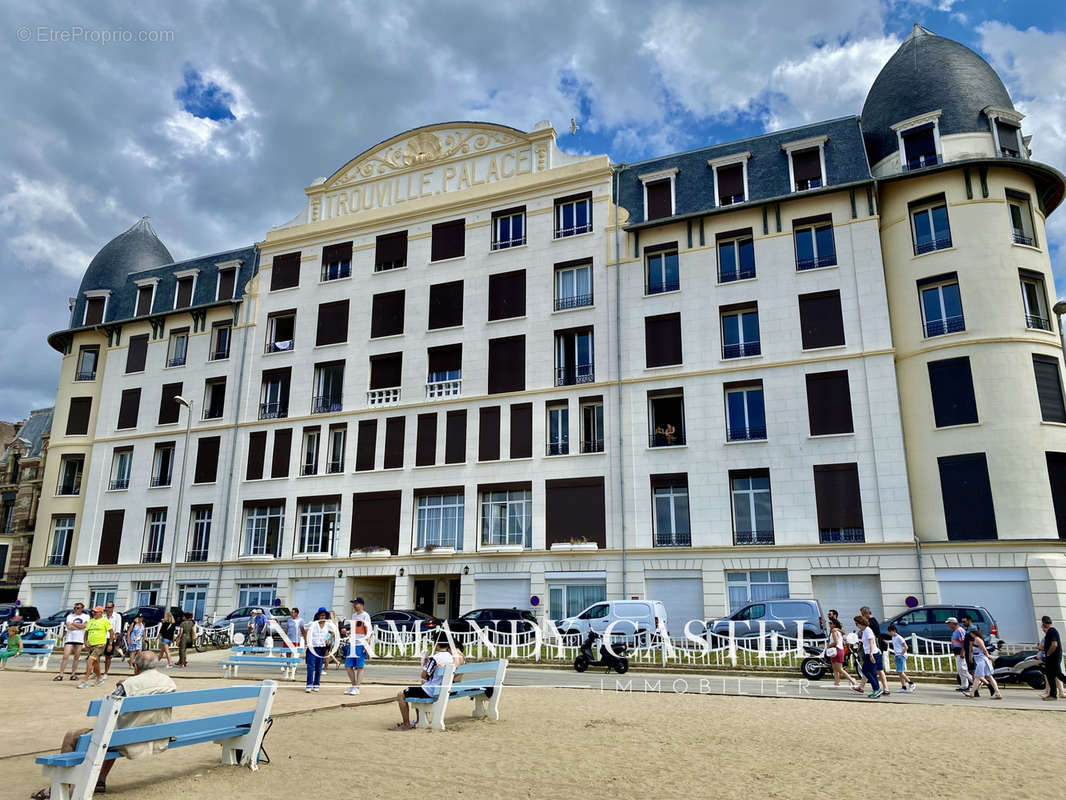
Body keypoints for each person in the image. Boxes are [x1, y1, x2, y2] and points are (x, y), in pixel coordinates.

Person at [31, 651, 177, 799]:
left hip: (128, 740)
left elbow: (107, 710)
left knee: (76, 736)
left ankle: (59, 787)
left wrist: (124, 685)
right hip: (157, 737)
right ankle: (100, 779)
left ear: (136, 667)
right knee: (112, 733)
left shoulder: (128, 685)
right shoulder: (169, 682)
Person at [394, 638, 455, 730]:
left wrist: (425, 664)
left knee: (400, 695)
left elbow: (423, 675)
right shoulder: (451, 657)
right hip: (441, 690)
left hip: (431, 691)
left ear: (437, 644)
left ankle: (406, 724)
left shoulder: (435, 658)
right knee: (418, 689)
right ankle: (419, 721)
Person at [78, 606, 112, 689]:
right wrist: (85, 642)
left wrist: (110, 644)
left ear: (101, 612)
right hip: (91, 645)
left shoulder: (105, 621)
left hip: (100, 644)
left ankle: (85, 681)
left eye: (96, 612)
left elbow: (111, 632)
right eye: (93, 612)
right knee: (95, 662)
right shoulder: (91, 621)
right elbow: (86, 632)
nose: (94, 613)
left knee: (90, 661)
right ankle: (99, 678)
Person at [344, 597, 373, 695]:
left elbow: (369, 631)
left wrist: (366, 644)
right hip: (352, 643)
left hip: (361, 644)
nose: (354, 606)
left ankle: (357, 687)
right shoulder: (354, 616)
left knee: (360, 667)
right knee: (348, 666)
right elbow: (353, 629)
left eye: (356, 604)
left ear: (361, 604)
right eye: (353, 604)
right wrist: (347, 632)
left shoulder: (365, 616)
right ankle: (353, 685)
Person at [964, 628, 1002, 699]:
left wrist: (988, 656)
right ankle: (997, 693)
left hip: (982, 660)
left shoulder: (978, 639)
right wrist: (970, 656)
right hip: (978, 660)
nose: (970, 634)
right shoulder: (973, 640)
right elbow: (971, 650)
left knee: (977, 677)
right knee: (989, 677)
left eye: (970, 633)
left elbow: (984, 649)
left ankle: (972, 693)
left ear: (973, 633)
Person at [56, 602, 89, 682]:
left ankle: (73, 674)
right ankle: (61, 674)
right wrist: (79, 626)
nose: (76, 609)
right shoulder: (70, 616)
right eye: (75, 608)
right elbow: (69, 626)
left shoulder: (86, 616)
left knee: (76, 657)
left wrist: (74, 624)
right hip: (70, 638)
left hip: (79, 638)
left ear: (81, 609)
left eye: (78, 608)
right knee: (65, 656)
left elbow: (85, 626)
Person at [859, 606, 889, 694]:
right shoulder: (874, 621)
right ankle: (862, 686)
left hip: (875, 649)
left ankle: (878, 689)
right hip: (876, 648)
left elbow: (872, 638)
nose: (862, 617)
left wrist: (871, 652)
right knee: (873, 669)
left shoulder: (870, 624)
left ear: (866, 613)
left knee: (873, 670)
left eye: (862, 615)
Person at [854, 615, 882, 698]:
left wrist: (871, 654)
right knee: (872, 673)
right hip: (871, 653)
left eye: (856, 623)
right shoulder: (865, 631)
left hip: (871, 653)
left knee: (865, 671)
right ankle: (877, 690)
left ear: (860, 623)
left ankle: (877, 689)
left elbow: (871, 643)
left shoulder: (867, 631)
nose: (856, 626)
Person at [304, 607, 332, 692]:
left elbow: (332, 632)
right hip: (312, 647)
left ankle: (316, 684)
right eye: (321, 615)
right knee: (310, 667)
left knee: (319, 667)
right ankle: (309, 684)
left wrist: (328, 638)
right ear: (318, 616)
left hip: (322, 648)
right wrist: (306, 638)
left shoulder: (328, 624)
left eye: (324, 615)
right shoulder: (313, 623)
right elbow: (304, 628)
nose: (322, 617)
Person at [826, 618, 857, 689]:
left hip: (836, 650)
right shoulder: (837, 631)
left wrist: (828, 646)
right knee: (834, 668)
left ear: (834, 624)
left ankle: (853, 681)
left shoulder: (834, 631)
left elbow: (836, 642)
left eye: (831, 623)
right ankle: (836, 683)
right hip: (837, 650)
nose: (829, 625)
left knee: (839, 669)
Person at [1040, 616, 1065, 701]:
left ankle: (1053, 695)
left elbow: (1054, 644)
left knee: (1058, 674)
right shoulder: (1051, 631)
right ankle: (1052, 695)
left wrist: (1048, 653)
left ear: (1044, 623)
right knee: (1051, 675)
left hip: (1053, 657)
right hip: (1052, 657)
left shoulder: (1052, 631)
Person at [887, 624, 916, 693]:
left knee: (900, 671)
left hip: (900, 656)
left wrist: (901, 654)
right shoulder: (893, 637)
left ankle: (911, 683)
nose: (889, 633)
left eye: (890, 631)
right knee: (900, 672)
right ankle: (903, 687)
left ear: (894, 631)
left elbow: (906, 647)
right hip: (897, 655)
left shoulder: (899, 637)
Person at [946, 616, 972, 692]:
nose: (948, 625)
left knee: (963, 669)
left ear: (953, 623)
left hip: (961, 652)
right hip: (957, 652)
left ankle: (976, 681)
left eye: (949, 623)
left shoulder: (959, 631)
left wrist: (962, 652)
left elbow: (964, 642)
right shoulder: (955, 631)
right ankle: (964, 685)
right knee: (960, 670)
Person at [103, 602, 125, 677]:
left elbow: (117, 628)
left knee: (108, 656)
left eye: (109, 607)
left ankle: (106, 672)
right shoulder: (103, 616)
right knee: (96, 656)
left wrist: (113, 640)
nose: (107, 609)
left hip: (110, 637)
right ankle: (96, 671)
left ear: (112, 608)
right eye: (106, 607)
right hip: (101, 637)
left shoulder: (117, 616)